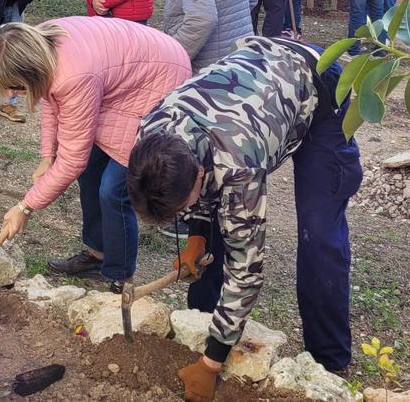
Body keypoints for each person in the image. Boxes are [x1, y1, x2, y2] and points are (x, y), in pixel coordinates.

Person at [125, 36, 363, 400]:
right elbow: (196, 197)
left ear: (200, 175)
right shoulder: (150, 134)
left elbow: (246, 272)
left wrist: (211, 367)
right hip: (255, 76)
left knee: (318, 233)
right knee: (215, 227)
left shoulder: (238, 168)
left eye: (183, 205)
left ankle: (327, 363)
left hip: (318, 86)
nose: (183, 213)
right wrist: (197, 237)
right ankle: (203, 323)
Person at [0, 18, 192, 291]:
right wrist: (48, 155)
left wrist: (25, 207)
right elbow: (50, 98)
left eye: (17, 87)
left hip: (158, 81)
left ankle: (120, 276)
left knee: (113, 189)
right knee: (90, 172)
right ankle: (97, 254)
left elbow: (71, 160)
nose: (13, 93)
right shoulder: (40, 46)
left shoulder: (73, 75)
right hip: (123, 79)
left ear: (30, 71)